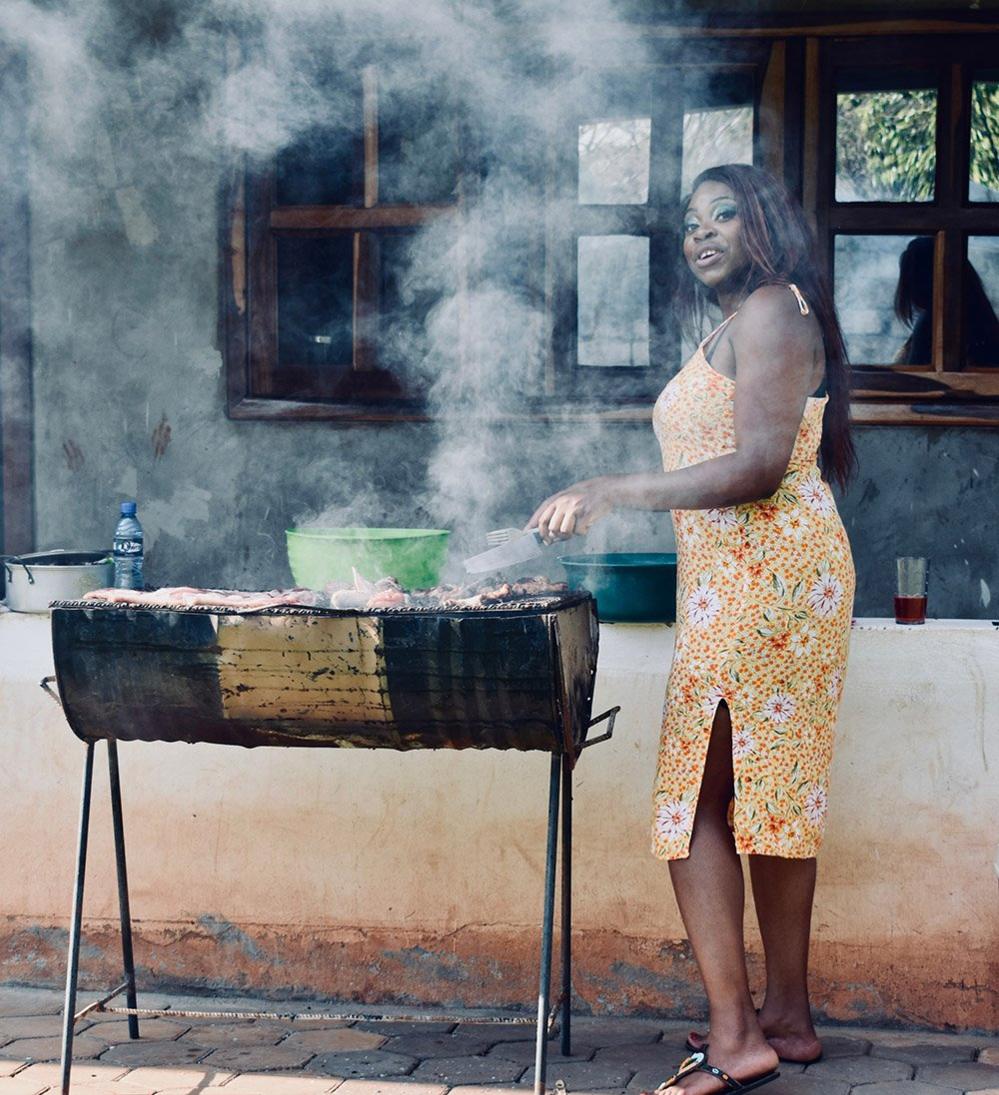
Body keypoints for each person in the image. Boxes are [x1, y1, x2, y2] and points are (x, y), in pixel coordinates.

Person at [528, 164, 856, 1095]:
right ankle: (783, 1017)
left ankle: (734, 1036)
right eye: (689, 220)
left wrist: (610, 491)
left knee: (693, 805)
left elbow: (755, 466)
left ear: (767, 224)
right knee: (769, 796)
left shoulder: (771, 312)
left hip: (766, 582)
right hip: (760, 581)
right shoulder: (753, 317)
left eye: (724, 214)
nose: (700, 231)